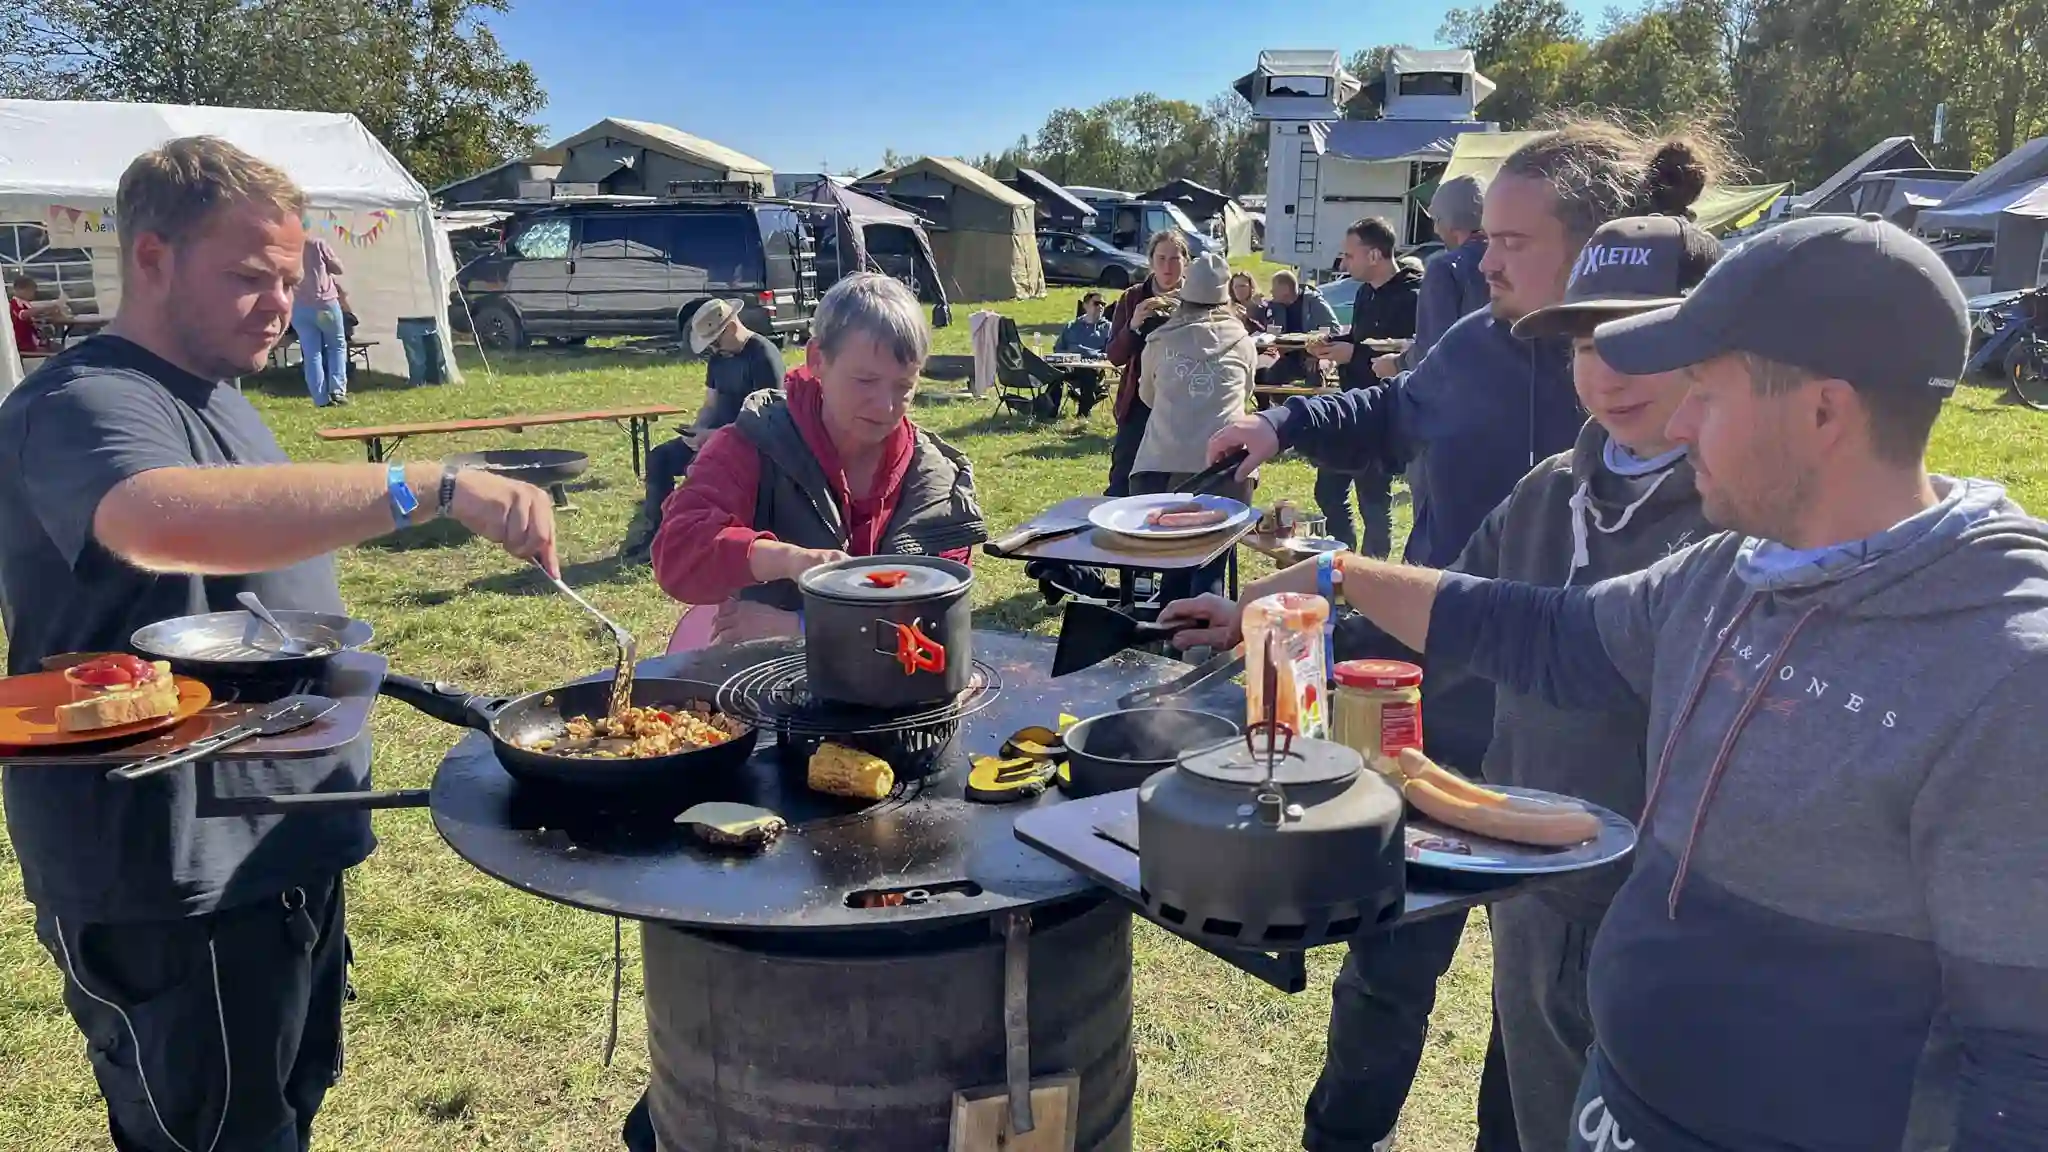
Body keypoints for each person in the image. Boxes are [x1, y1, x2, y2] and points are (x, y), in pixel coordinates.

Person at [1225, 215, 2044, 1152]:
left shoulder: (2008, 673)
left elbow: (2023, 1064)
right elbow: (1543, 635)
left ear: (1823, 413)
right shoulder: (1733, 571)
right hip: (1616, 1108)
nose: (1680, 421)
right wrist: (1337, 576)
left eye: (1707, 392)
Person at [0, 135, 557, 1152]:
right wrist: (422, 486)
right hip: (170, 874)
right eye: (249, 277)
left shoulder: (223, 396)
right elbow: (151, 519)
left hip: (278, 846)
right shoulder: (82, 401)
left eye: (290, 280)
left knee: (278, 1116)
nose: (280, 304)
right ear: (154, 258)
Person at [1208, 120, 1729, 1152]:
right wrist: (1287, 449)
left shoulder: (1721, 493)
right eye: (1586, 345)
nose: (1477, 258)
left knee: (1545, 1027)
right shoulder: (1514, 417)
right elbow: (1408, 443)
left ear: (1597, 246)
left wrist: (1331, 575)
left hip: (1614, 812)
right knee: (1396, 968)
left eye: (1509, 240)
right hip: (1445, 719)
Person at [649, 273, 986, 646]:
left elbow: (937, 627)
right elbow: (676, 554)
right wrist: (790, 561)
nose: (886, 406)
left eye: (903, 387)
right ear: (816, 360)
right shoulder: (756, 443)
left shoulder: (934, 482)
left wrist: (803, 629)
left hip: (893, 693)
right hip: (765, 684)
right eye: (865, 381)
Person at [1132, 250, 1255, 602]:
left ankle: (1171, 633)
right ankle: (1200, 643)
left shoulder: (1160, 340)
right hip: (1227, 468)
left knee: (1172, 562)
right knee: (1210, 566)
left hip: (1164, 465)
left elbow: (1147, 396)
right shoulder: (1243, 342)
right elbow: (1245, 395)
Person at [621, 298, 785, 561]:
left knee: (698, 473)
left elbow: (767, 419)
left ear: (730, 327)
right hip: (712, 438)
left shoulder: (762, 355)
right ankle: (656, 534)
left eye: (715, 341)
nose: (713, 348)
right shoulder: (719, 359)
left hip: (746, 444)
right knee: (659, 457)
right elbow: (711, 404)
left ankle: (688, 541)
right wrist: (697, 430)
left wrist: (714, 437)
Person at [1307, 217, 1420, 557]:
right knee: (1328, 491)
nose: (1343, 263)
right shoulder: (1364, 293)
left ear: (1374, 256)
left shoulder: (1414, 296)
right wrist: (1332, 342)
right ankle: (1344, 559)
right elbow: (1361, 339)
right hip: (1349, 408)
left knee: (1373, 503)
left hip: (1383, 414)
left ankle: (1372, 578)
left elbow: (1408, 351)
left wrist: (1353, 353)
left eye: (1349, 255)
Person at [1105, 230, 1187, 497]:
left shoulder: (1198, 298)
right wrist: (1134, 325)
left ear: (1186, 261)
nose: (1168, 267)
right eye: (1161, 258)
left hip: (1184, 401)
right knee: (1123, 479)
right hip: (1138, 401)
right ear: (1150, 261)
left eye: (1175, 259)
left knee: (1172, 482)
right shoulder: (1132, 297)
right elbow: (1115, 356)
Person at [1384, 173, 1491, 378]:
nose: (1435, 228)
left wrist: (1396, 365)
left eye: (1436, 220)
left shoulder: (1444, 268)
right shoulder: (1514, 260)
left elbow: (1433, 351)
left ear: (1448, 222)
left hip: (1459, 394)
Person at [292, 232, 349, 405]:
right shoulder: (317, 243)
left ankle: (320, 398)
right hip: (324, 303)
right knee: (336, 345)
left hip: (299, 305)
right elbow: (339, 269)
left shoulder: (288, 245)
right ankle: (337, 390)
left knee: (311, 353)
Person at [11, 273, 65, 355]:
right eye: (31, 291)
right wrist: (45, 308)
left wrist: (50, 311)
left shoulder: (25, 303)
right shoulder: (14, 304)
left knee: (58, 346)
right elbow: (24, 314)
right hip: (25, 343)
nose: (33, 294)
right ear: (20, 290)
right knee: (58, 350)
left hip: (33, 339)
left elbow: (34, 314)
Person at [1056, 291, 1113, 356]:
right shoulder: (1070, 327)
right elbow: (1058, 349)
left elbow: (1112, 354)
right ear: (1085, 305)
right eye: (1096, 303)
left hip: (1097, 364)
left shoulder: (1109, 328)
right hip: (1070, 364)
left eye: (1103, 304)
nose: (1100, 307)